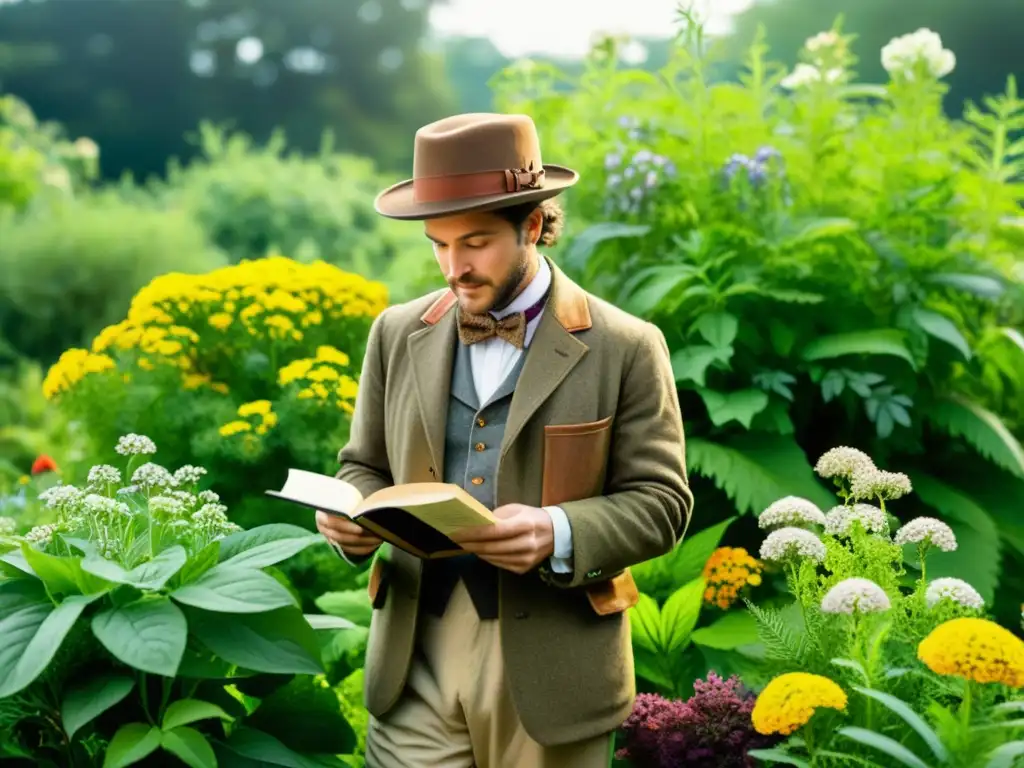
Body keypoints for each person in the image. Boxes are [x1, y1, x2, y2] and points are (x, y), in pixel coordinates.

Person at [315, 112, 692, 768]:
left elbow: (662, 504)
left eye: (477, 242)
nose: (453, 267)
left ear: (538, 224)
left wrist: (557, 531)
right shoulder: (395, 332)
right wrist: (352, 515)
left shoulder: (626, 347)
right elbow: (363, 467)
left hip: (552, 667)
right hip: (413, 656)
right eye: (438, 244)